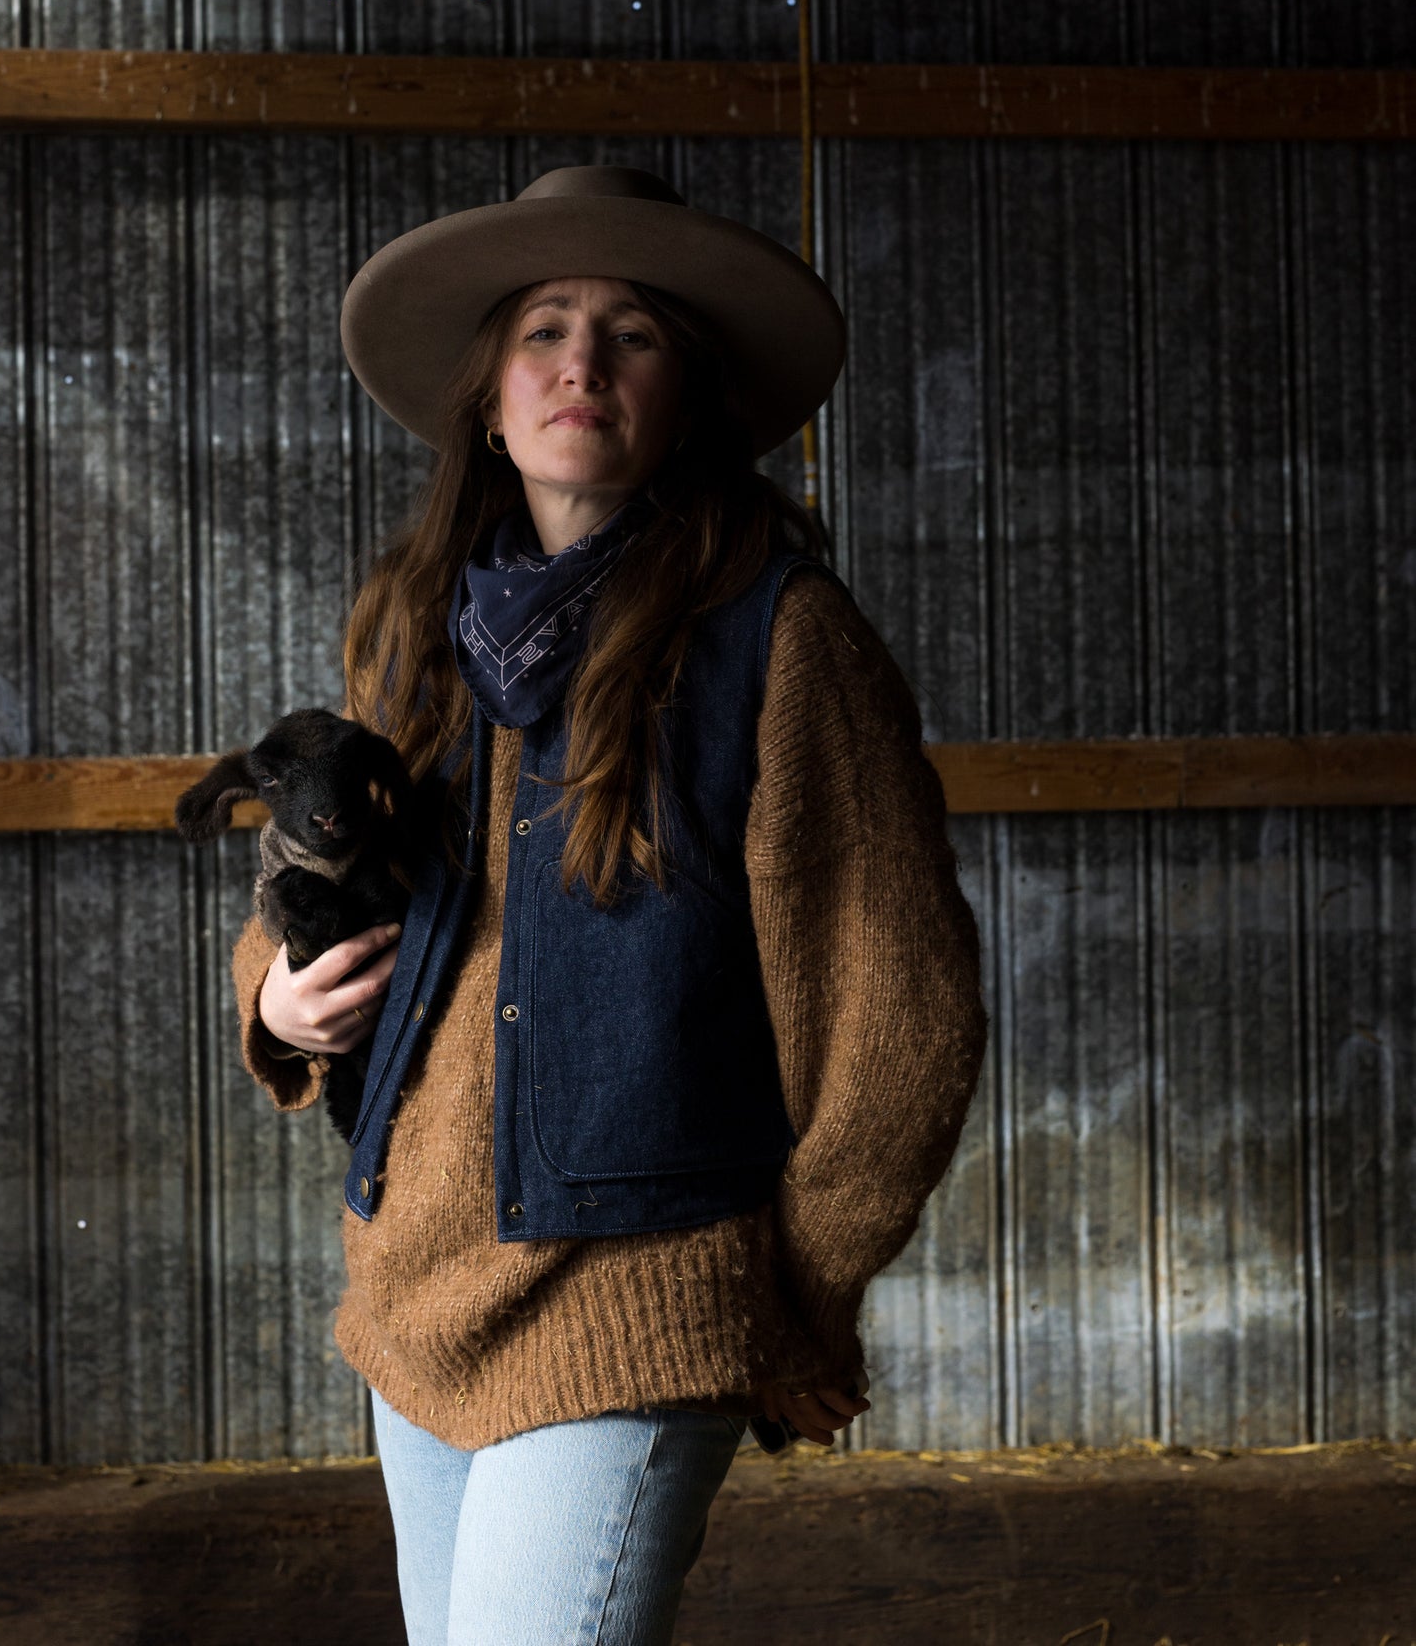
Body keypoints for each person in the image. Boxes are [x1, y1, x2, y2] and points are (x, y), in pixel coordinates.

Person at [230, 164, 987, 1646]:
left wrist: (797, 1292)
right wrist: (274, 992)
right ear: (491, 395)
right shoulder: (420, 634)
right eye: (544, 331)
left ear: (684, 395)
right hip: (417, 1292)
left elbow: (898, 1009)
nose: (583, 362)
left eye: (632, 333)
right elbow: (318, 872)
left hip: (634, 1300)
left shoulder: (782, 641)